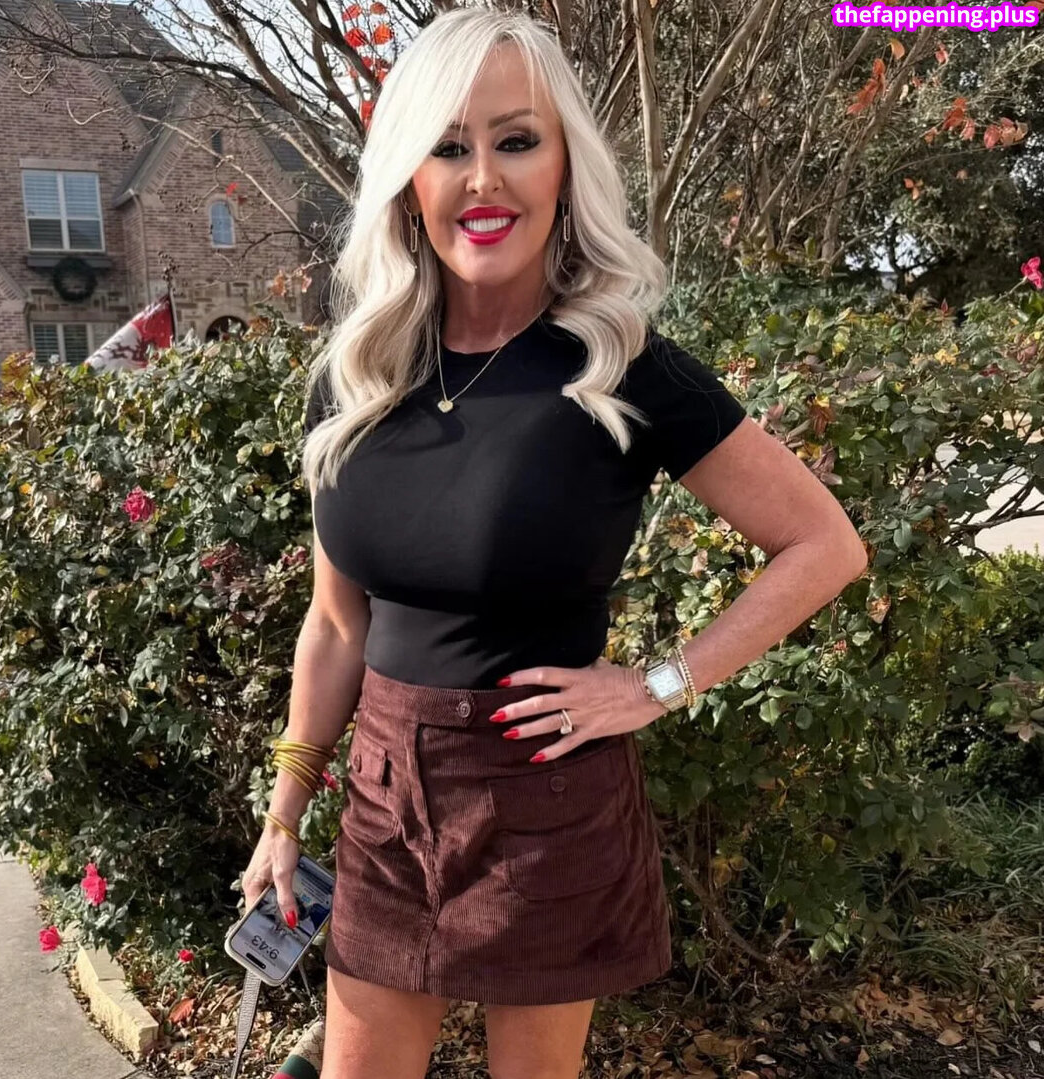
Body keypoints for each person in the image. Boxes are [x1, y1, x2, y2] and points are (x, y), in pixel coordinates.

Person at [239, 8, 869, 1079]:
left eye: (517, 140)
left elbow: (823, 543)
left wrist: (658, 683)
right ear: (408, 178)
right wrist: (286, 807)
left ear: (565, 165)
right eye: (449, 146)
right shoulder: (355, 379)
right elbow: (338, 623)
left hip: (547, 795)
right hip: (386, 800)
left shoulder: (619, 367)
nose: (483, 178)